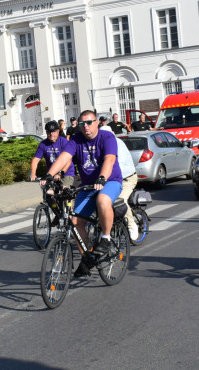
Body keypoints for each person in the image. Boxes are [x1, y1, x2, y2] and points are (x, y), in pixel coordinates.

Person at [43, 109, 123, 277]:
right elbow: (64, 157)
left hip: (110, 181)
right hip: (87, 185)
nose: (85, 127)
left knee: (102, 200)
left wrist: (102, 178)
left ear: (96, 123)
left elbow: (110, 160)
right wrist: (50, 175)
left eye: (89, 122)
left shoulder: (107, 137)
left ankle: (106, 239)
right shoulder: (77, 140)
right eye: (82, 124)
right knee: (75, 222)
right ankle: (87, 257)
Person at [101, 124, 139, 241]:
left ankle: (132, 225)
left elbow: (118, 165)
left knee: (120, 200)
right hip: (112, 179)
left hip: (127, 178)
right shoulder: (102, 145)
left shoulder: (118, 144)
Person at [29, 120, 76, 191]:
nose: (51, 134)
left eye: (53, 132)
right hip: (51, 173)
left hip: (66, 172)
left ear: (57, 131)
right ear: (46, 132)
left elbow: (68, 162)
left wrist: (60, 174)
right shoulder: (43, 144)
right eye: (49, 132)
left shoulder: (64, 142)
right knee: (48, 193)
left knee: (65, 194)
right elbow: (35, 160)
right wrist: (33, 174)